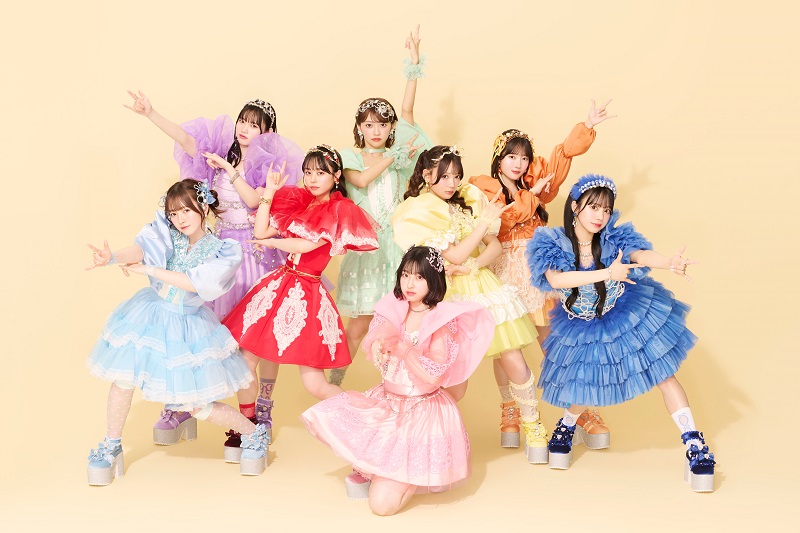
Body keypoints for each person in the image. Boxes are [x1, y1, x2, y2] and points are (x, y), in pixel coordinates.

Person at [125, 93, 304, 450]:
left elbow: (254, 201)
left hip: (257, 256)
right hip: (221, 253)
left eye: (255, 125)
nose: (245, 129)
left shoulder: (270, 165)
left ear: (268, 132)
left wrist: (230, 171)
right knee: (198, 328)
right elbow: (185, 139)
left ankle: (260, 409)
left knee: (257, 339)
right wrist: (151, 113)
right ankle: (184, 404)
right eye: (243, 121)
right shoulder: (220, 155)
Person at [527, 174, 715, 492]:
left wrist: (668, 262)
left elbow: (639, 255)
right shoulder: (552, 242)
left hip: (623, 313)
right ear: (575, 207)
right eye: (593, 207)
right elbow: (557, 280)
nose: (600, 215)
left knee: (663, 373)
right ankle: (567, 424)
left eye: (606, 209)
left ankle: (694, 445)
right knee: (583, 383)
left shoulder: (613, 237)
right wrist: (606, 272)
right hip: (581, 325)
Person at [85, 180, 269, 485]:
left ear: (203, 207)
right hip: (151, 314)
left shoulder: (223, 250)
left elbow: (194, 283)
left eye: (186, 210)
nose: (179, 219)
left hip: (187, 326)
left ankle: (254, 434)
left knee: (194, 404)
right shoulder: (169, 235)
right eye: (173, 213)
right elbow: (142, 248)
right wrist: (113, 256)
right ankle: (111, 446)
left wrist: (149, 269)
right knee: (123, 378)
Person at [301, 246, 494, 515]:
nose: (410, 284)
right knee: (343, 419)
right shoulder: (394, 309)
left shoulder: (440, 320)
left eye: (419, 277)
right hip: (387, 401)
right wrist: (380, 346)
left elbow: (434, 374)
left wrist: (405, 351)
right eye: (405, 275)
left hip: (421, 410)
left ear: (433, 280)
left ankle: (404, 474)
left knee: (381, 506)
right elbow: (377, 344)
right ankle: (376, 468)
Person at [468, 101, 614, 448]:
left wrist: (586, 125)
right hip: (501, 269)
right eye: (511, 156)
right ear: (498, 159)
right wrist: (530, 196)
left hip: (536, 269)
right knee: (507, 346)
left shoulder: (533, 185)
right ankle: (510, 411)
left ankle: (580, 411)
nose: (519, 163)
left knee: (555, 343)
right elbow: (501, 222)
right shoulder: (482, 187)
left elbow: (562, 157)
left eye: (524, 157)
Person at [392, 146, 548, 464]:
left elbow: (494, 246)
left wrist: (473, 266)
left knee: (511, 354)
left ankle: (533, 426)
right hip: (446, 294)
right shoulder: (419, 210)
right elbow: (454, 254)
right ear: (427, 175)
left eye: (456, 176)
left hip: (480, 284)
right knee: (453, 375)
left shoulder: (467, 200)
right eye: (444, 176)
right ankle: (426, 436)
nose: (452, 183)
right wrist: (480, 229)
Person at [222, 145, 379, 445]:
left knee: (315, 384)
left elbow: (307, 246)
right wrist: (269, 192)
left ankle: (366, 423)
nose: (312, 178)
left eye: (320, 172)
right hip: (281, 285)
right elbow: (261, 230)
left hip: (308, 294)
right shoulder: (300, 201)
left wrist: (274, 245)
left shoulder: (339, 210)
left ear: (336, 175)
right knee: (246, 359)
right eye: (308, 172)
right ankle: (248, 426)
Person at [330, 25, 432, 387]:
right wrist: (392, 155)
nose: (377, 130)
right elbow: (359, 181)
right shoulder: (350, 156)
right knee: (357, 326)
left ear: (391, 128)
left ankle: (400, 387)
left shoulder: (401, 158)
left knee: (401, 323)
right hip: (367, 248)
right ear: (359, 126)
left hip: (398, 247)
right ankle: (333, 385)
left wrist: (413, 65)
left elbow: (407, 109)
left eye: (383, 124)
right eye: (369, 124)